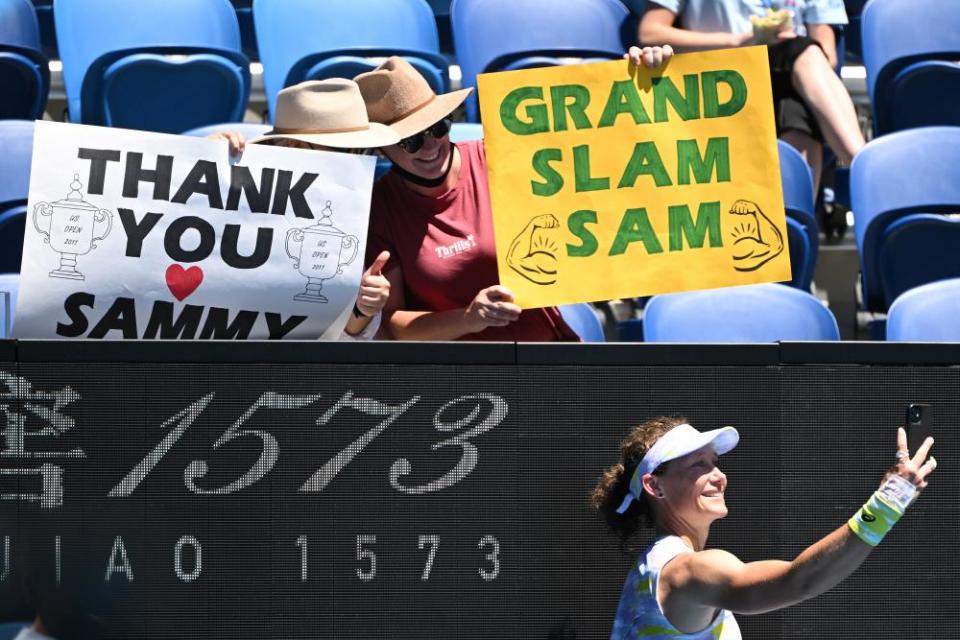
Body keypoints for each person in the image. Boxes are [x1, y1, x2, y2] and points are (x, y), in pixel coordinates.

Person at [354, 47, 673, 341]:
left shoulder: (502, 157)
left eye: (439, 126)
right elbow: (390, 326)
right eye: (410, 141)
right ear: (382, 148)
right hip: (453, 379)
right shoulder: (380, 207)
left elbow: (613, 159)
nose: (431, 146)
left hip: (545, 354)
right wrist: (467, 319)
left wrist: (643, 80)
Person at [592, 416, 936, 639]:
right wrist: (889, 502)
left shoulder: (655, 565)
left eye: (716, 463)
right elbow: (799, 581)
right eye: (698, 465)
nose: (719, 475)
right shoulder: (689, 569)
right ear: (656, 486)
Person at [209, 79, 398, 339]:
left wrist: (364, 308)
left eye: (363, 150)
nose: (357, 159)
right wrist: (202, 162)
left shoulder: (348, 206)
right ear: (294, 146)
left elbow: (343, 331)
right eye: (343, 149)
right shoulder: (235, 186)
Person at [638, 0, 864, 192]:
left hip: (789, 72)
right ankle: (862, 164)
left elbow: (827, 54)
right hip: (718, 76)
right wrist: (735, 43)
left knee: (799, 100)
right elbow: (650, 32)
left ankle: (793, 223)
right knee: (804, 59)